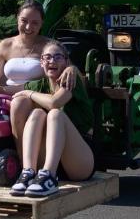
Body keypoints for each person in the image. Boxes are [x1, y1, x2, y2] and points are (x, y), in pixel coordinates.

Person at [0, 0, 76, 160]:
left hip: (33, 100)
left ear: (41, 23)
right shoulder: (6, 45)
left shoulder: (49, 46)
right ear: (17, 19)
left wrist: (71, 68)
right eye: (24, 21)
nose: (28, 27)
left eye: (35, 23)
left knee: (19, 103)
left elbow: (68, 67)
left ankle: (22, 160)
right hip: (4, 99)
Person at [9, 40, 95, 197]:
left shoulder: (70, 79)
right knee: (37, 114)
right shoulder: (40, 84)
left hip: (79, 161)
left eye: (57, 57)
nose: (52, 61)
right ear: (41, 62)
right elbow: (8, 90)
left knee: (55, 114)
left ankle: (49, 176)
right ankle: (28, 172)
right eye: (47, 57)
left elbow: (55, 102)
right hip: (51, 159)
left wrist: (29, 93)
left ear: (66, 61)